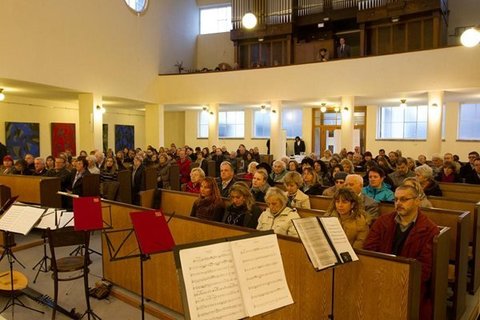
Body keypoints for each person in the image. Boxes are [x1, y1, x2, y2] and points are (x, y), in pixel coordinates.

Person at [363, 185, 439, 320]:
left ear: (417, 201)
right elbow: (369, 250)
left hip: (409, 283)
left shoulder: (429, 229)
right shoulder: (383, 221)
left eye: (404, 199)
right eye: (396, 199)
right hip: (380, 276)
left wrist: (398, 279)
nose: (398, 203)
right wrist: (381, 275)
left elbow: (425, 269)